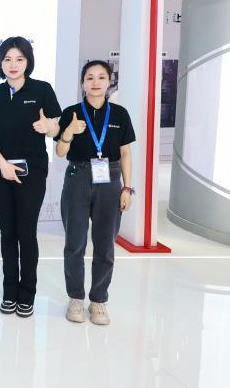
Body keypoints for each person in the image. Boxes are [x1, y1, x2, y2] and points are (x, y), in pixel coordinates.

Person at [55, 60, 136, 325]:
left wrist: (127, 188)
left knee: (105, 244)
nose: (96, 82)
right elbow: (60, 152)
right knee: (74, 244)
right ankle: (76, 299)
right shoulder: (71, 112)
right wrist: (69, 131)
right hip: (77, 177)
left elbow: (125, 153)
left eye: (101, 77)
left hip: (110, 179)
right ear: (83, 83)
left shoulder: (120, 114)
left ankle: (99, 300)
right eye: (89, 77)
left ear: (110, 82)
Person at [0, 36, 61, 318]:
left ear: (28, 61)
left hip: (33, 172)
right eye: (7, 59)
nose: (13, 64)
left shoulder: (42, 90)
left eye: (19, 58)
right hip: (1, 171)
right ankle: (10, 292)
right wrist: (3, 165)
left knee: (26, 233)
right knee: (7, 232)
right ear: (0, 63)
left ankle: (27, 294)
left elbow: (57, 128)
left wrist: (48, 127)